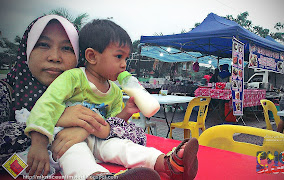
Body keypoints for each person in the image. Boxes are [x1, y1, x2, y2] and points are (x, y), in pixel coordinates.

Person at [25, 19, 199, 180]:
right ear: (92, 56)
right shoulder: (73, 78)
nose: (124, 64)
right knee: (75, 155)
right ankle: (96, 176)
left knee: (122, 147)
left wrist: (127, 111)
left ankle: (169, 163)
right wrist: (38, 144)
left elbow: (113, 125)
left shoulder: (115, 91)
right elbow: (47, 104)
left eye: (126, 58)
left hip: (99, 138)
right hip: (67, 138)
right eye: (118, 56)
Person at [0, 15, 108, 175]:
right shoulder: (5, 92)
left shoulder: (88, 91)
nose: (55, 57)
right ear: (27, 50)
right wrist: (55, 120)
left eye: (67, 48)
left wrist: (88, 128)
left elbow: (130, 131)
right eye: (43, 45)